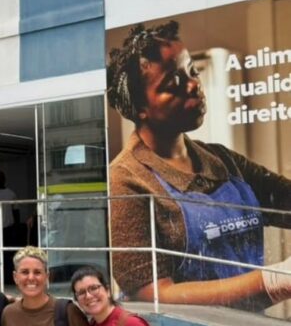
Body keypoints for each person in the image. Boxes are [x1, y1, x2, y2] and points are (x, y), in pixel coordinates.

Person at [107, 20, 291, 309]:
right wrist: (274, 280)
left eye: (192, 71)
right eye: (173, 83)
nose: (193, 85)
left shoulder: (223, 161)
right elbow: (152, 294)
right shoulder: (126, 180)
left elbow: (285, 199)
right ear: (140, 108)